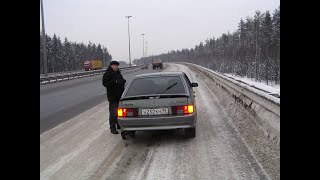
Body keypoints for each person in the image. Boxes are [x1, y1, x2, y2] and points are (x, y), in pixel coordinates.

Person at [102, 61, 126, 134]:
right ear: (111, 66)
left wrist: (121, 81)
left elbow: (122, 80)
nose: (116, 67)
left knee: (120, 112)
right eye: (114, 65)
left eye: (117, 65)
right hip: (112, 97)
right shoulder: (107, 73)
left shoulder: (118, 73)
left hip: (120, 96)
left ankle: (118, 124)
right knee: (113, 113)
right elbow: (105, 83)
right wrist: (115, 82)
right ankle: (112, 128)